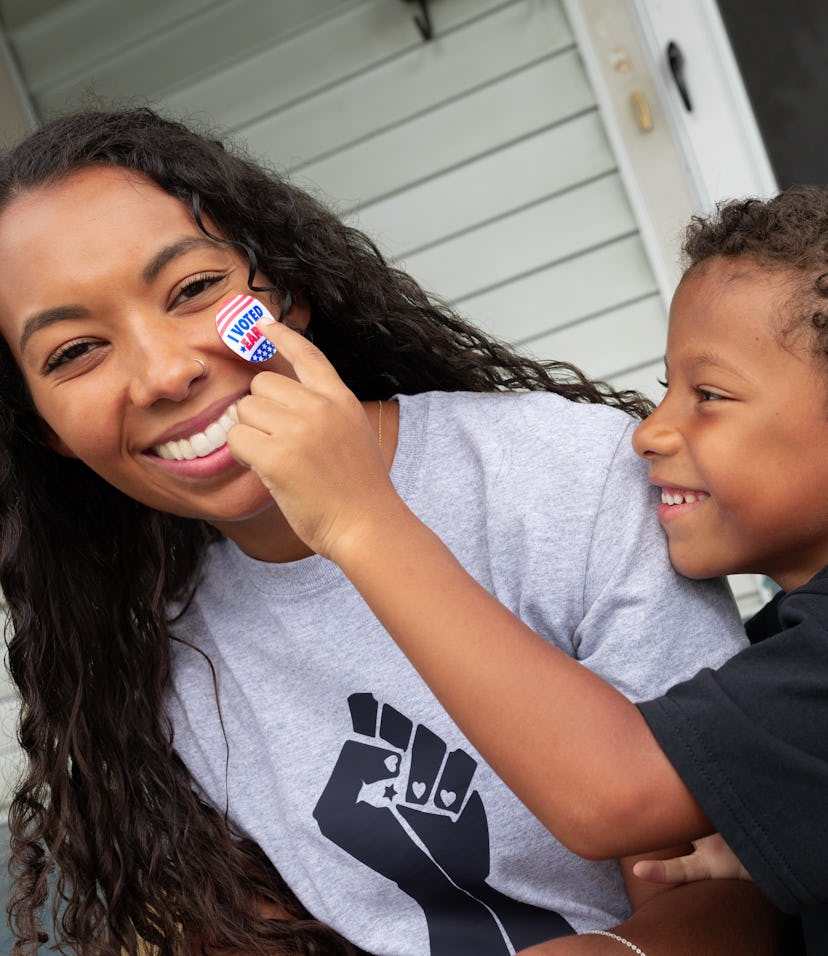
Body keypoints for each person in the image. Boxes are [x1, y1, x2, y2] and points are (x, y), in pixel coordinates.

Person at [0, 108, 783, 956]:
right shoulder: (162, 660)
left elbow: (731, 891)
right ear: (44, 428)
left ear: (283, 289)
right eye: (75, 351)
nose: (165, 372)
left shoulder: (561, 482)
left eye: (193, 290)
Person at [240, 187, 828, 953]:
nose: (649, 432)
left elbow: (611, 796)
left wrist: (361, 519)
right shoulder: (783, 646)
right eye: (665, 390)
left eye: (709, 395)